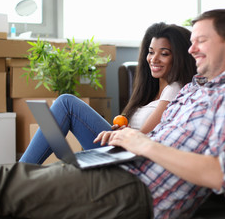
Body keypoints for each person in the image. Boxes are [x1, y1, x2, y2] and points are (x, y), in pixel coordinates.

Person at [0, 9, 225, 219]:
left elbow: (219, 174)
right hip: (121, 169)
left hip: (136, 191)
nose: (192, 48)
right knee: (7, 183)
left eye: (201, 41)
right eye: (191, 41)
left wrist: (142, 144)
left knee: (1, 188)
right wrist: (125, 142)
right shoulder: (197, 90)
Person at [19, 22, 197, 164]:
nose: (153, 59)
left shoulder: (174, 89)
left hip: (132, 157)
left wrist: (123, 134)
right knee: (65, 104)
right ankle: (20, 173)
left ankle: (18, 173)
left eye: (164, 54)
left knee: (67, 103)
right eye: (151, 52)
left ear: (179, 57)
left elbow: (143, 138)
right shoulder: (152, 91)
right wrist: (121, 131)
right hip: (122, 150)